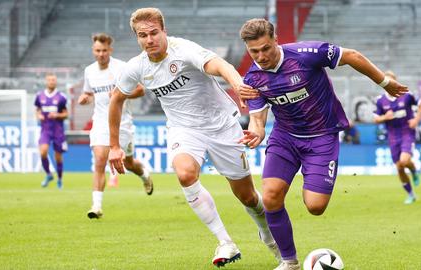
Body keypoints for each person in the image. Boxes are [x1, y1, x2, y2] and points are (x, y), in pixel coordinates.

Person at [107, 8, 280, 267]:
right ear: (137, 38)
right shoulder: (136, 67)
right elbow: (116, 99)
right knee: (185, 174)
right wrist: (113, 146)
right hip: (184, 129)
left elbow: (221, 65)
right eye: (142, 35)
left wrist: (237, 85)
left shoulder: (184, 50)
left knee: (247, 196)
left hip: (222, 126)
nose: (149, 40)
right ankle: (225, 242)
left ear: (164, 31)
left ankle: (266, 232)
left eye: (154, 33)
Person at [237, 19, 408, 270]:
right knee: (271, 196)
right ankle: (289, 262)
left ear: (276, 39)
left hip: (322, 137)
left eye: (266, 48)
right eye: (254, 52)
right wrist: (256, 133)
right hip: (285, 137)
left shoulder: (307, 54)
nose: (261, 56)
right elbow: (258, 120)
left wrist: (384, 82)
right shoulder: (252, 78)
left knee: (315, 207)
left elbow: (352, 55)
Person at [78, 33, 153, 219]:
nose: (101, 54)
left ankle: (143, 174)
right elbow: (88, 92)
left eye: (104, 50)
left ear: (110, 50)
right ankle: (96, 207)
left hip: (122, 123)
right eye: (97, 50)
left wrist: (121, 95)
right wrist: (85, 97)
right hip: (100, 121)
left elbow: (140, 90)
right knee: (100, 160)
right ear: (93, 50)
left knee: (128, 163)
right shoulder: (89, 71)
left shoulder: (122, 67)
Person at [373, 71, 421, 205]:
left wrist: (416, 120)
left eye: (391, 81)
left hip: (407, 132)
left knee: (404, 160)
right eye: (386, 82)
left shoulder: (406, 95)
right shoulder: (380, 100)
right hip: (393, 136)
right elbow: (376, 119)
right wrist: (385, 117)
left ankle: (413, 170)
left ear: (395, 82)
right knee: (399, 168)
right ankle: (411, 194)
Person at [34, 73, 68, 189]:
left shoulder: (61, 97)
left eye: (53, 80)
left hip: (58, 130)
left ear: (56, 82)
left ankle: (59, 179)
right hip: (45, 130)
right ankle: (48, 174)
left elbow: (66, 114)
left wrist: (57, 115)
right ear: (46, 81)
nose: (52, 82)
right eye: (50, 80)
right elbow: (38, 110)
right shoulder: (40, 96)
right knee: (43, 152)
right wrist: (39, 116)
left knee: (58, 156)